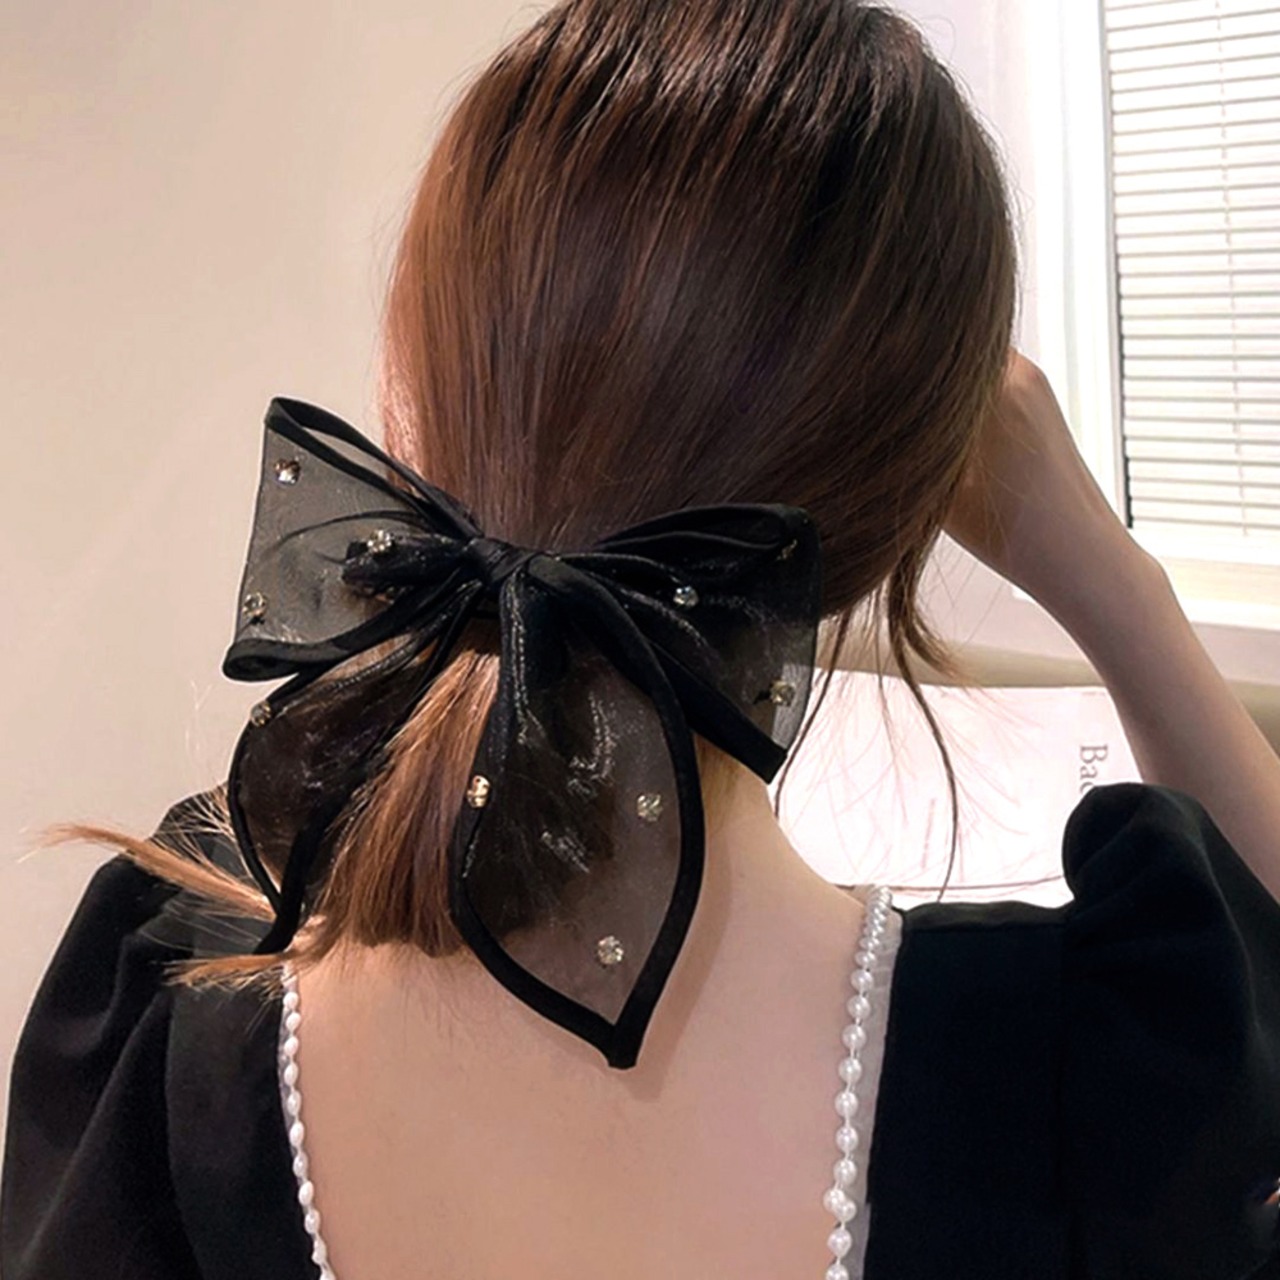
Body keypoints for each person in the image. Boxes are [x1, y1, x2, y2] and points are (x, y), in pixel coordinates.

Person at [4, 1, 1280, 1277]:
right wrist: (1109, 576)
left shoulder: (168, 993)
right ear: (897, 517)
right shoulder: (1084, 1083)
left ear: (410, 400)